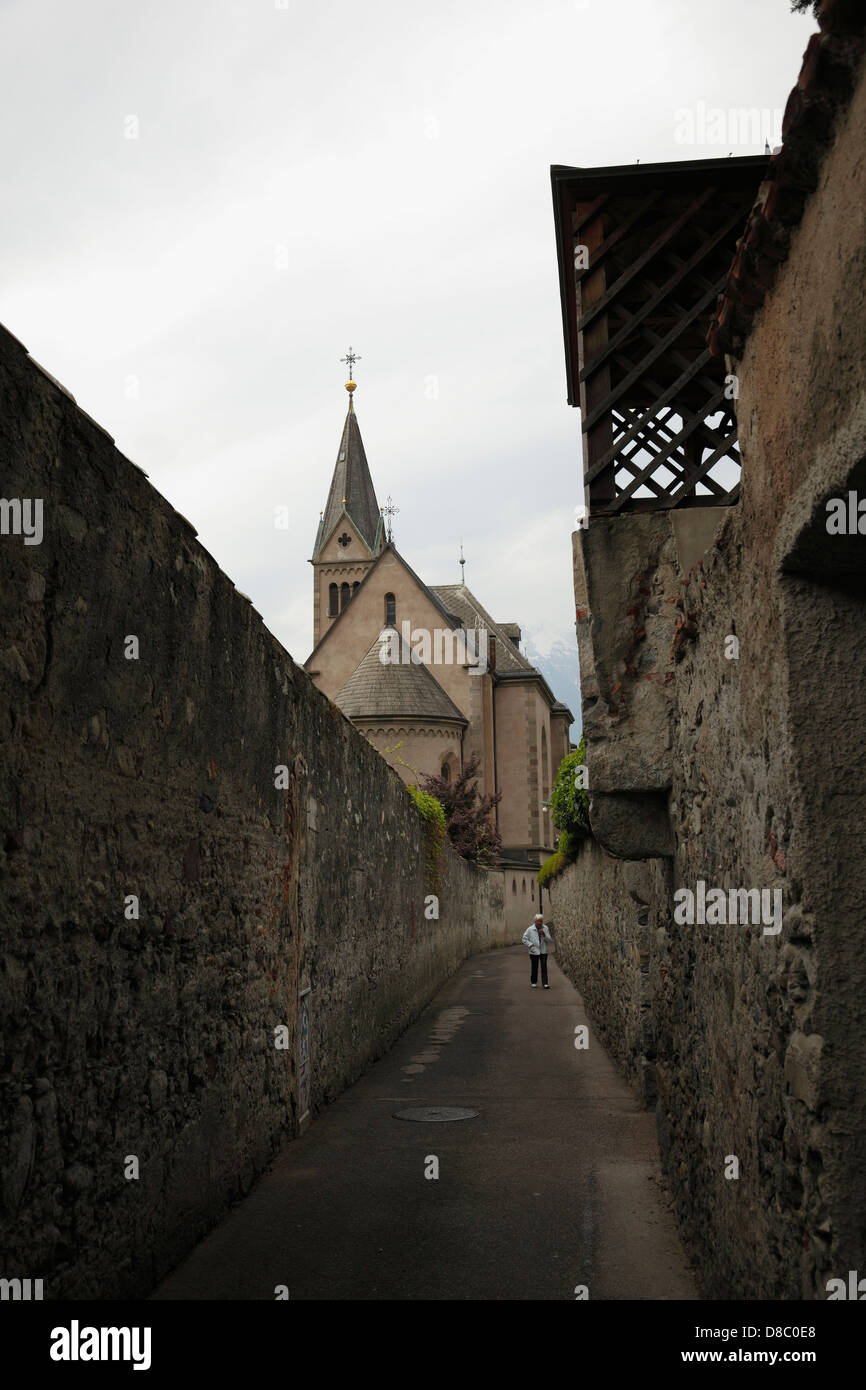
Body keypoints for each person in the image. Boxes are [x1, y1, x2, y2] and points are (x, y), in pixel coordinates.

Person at [522, 913, 552, 988]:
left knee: (544, 966)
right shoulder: (530, 929)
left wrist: (544, 935)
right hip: (534, 951)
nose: (540, 923)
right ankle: (533, 982)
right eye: (538, 921)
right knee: (534, 967)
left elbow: (549, 940)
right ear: (535, 921)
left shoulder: (545, 928)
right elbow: (524, 939)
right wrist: (530, 944)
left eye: (541, 921)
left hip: (543, 950)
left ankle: (545, 983)